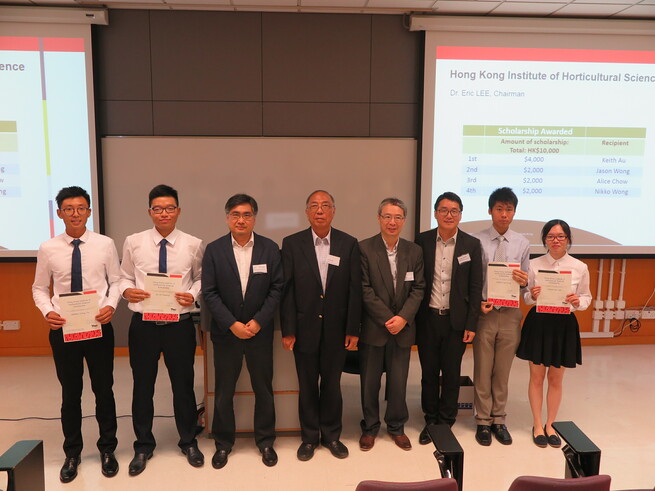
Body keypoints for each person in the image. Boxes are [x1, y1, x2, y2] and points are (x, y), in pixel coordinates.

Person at [32, 186, 120, 483]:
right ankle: (72, 452)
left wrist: (110, 306)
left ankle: (108, 449)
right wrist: (47, 312)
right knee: (71, 393)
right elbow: (39, 288)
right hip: (64, 329)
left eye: (81, 208)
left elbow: (116, 282)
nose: (75, 213)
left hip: (97, 327)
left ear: (89, 211)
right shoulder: (48, 248)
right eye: (68, 209)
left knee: (104, 389)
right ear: (59, 213)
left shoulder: (105, 244)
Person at [119, 184, 205, 475]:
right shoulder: (134, 241)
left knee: (183, 385)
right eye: (158, 208)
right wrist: (127, 291)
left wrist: (192, 295)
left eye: (169, 208)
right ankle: (143, 445)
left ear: (178, 211)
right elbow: (123, 277)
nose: (164, 213)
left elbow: (201, 278)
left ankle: (188, 440)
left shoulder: (193, 243)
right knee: (143, 386)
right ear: (149, 212)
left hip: (178, 325)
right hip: (143, 325)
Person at [202, 194, 283, 469]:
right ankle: (223, 443)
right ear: (227, 218)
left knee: (264, 389)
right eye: (235, 214)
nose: (241, 219)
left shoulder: (270, 249)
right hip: (227, 334)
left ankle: (266, 442)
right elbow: (209, 293)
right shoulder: (214, 250)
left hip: (259, 332)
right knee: (224, 391)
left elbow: (276, 289)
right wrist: (232, 323)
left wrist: (259, 321)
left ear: (254, 218)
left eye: (247, 214)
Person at [280, 190, 362, 461]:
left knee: (332, 385)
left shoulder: (349, 244)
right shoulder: (292, 244)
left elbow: (354, 290)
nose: (319, 210)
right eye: (314, 206)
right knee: (307, 385)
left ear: (333, 211)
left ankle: (332, 436)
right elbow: (287, 290)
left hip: (337, 331)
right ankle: (309, 438)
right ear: (306, 212)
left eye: (325, 205)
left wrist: (353, 329)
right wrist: (288, 329)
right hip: (303, 329)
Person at [415, 191, 483, 444]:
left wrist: (471, 324)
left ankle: (446, 420)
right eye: (443, 210)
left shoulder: (471, 245)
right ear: (435, 213)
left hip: (456, 321)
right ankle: (430, 419)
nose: (449, 215)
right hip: (428, 318)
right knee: (428, 373)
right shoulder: (421, 241)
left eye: (454, 211)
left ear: (461, 215)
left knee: (452, 373)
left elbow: (476, 287)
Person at [516, 219, 591, 448]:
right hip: (539, 323)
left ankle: (551, 424)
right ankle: (537, 424)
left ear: (568, 239)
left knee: (556, 379)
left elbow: (586, 298)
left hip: (563, 325)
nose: (555, 240)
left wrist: (578, 301)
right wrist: (533, 296)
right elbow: (526, 297)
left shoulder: (579, 267)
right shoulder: (534, 264)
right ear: (544, 240)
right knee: (536, 377)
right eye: (550, 236)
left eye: (560, 236)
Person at [358, 198, 425, 452]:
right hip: (375, 328)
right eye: (387, 216)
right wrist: (388, 319)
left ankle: (396, 427)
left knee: (399, 382)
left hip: (403, 329)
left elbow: (418, 288)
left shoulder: (414, 251)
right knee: (370, 383)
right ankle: (370, 427)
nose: (392, 222)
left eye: (397, 217)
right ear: (378, 218)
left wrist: (403, 318)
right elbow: (364, 290)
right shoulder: (364, 248)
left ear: (404, 221)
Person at [472, 187, 530, 446]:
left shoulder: (522, 243)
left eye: (509, 209)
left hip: (510, 313)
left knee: (503, 370)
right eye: (499, 209)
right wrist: (477, 304)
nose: (504, 214)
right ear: (490, 210)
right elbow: (473, 280)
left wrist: (522, 279)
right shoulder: (476, 240)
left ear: (514, 212)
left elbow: (526, 282)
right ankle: (483, 421)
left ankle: (499, 419)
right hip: (485, 312)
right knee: (483, 368)